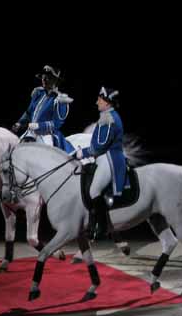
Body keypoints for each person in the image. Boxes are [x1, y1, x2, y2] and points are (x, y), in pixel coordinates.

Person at [71, 86, 127, 239]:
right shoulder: (106, 116)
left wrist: (82, 153)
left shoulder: (109, 119)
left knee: (94, 190)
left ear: (108, 102)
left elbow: (100, 146)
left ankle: (103, 226)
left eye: (100, 99)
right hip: (104, 157)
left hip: (110, 159)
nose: (97, 102)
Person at [12, 65, 74, 152]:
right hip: (31, 132)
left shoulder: (60, 99)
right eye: (43, 77)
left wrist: (38, 126)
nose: (44, 79)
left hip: (47, 135)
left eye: (47, 77)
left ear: (55, 80)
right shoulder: (38, 93)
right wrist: (20, 123)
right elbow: (29, 112)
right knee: (14, 151)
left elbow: (57, 124)